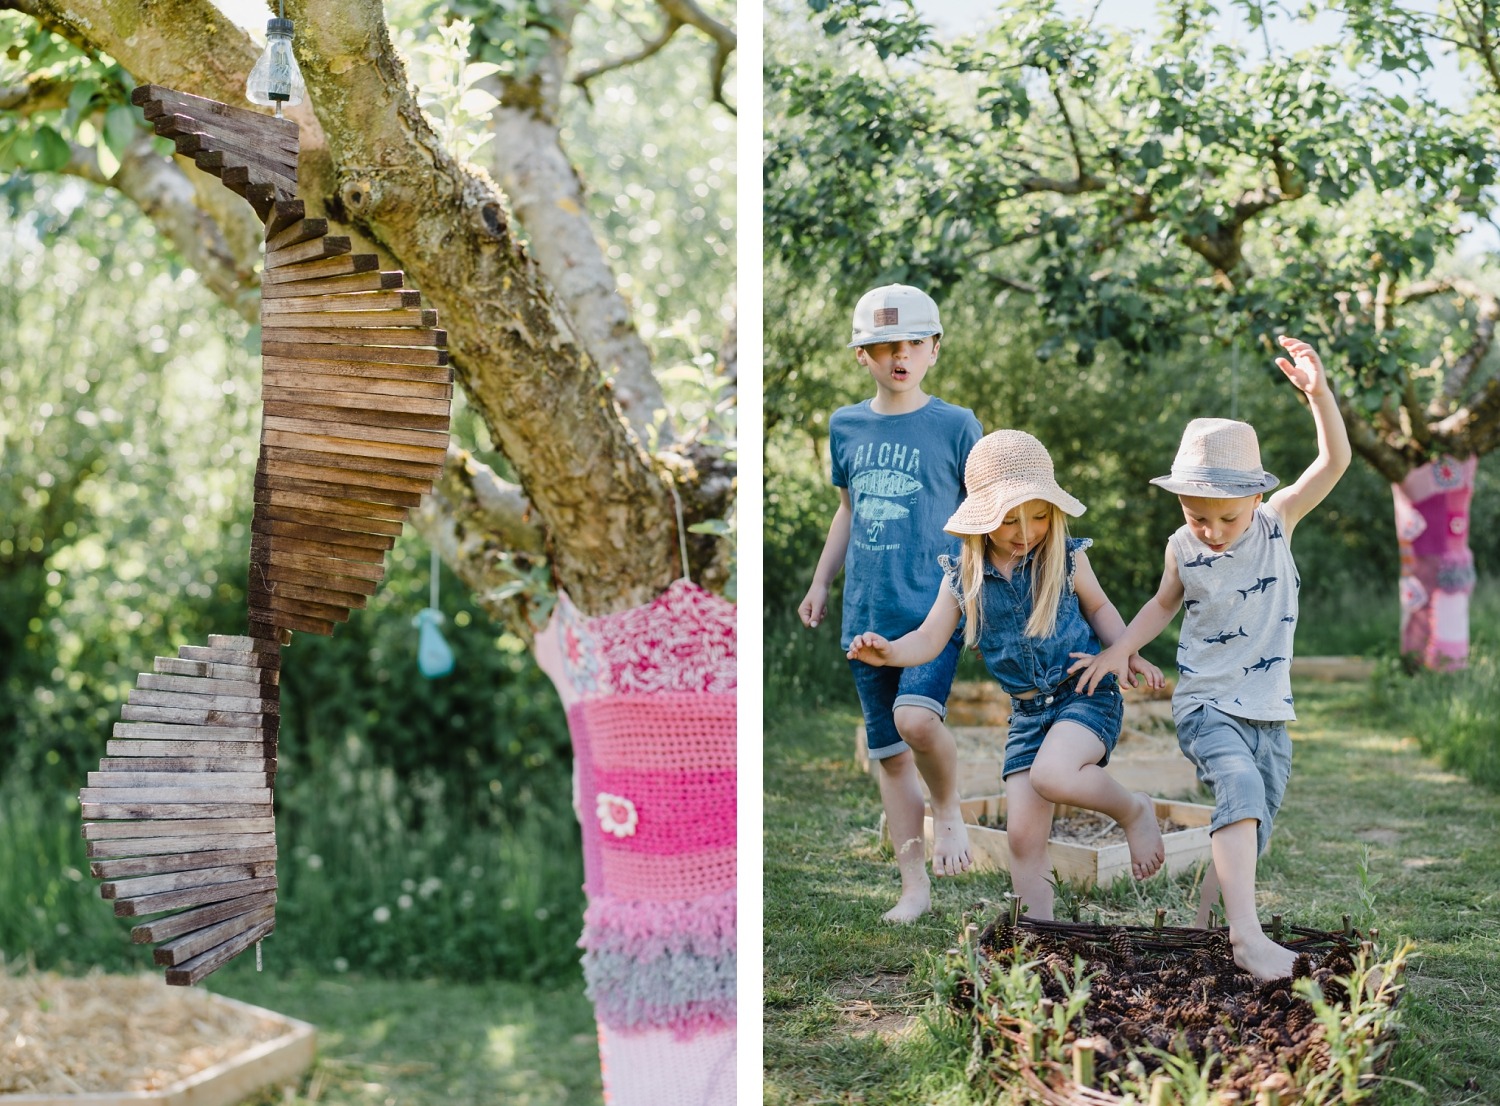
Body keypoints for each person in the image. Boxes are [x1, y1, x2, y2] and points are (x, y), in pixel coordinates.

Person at [1072, 335, 1351, 981]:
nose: (1214, 531)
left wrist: (1320, 394)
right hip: (1206, 703)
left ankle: (1210, 936)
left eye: (1226, 517)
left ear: (1255, 499)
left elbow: (1334, 462)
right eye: (1199, 516)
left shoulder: (1279, 522)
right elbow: (1161, 605)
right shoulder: (1181, 546)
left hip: (1269, 711)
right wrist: (1121, 648)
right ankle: (1249, 942)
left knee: (1250, 828)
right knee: (1240, 790)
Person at [847, 429, 1167, 923]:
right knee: (1022, 835)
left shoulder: (1065, 558)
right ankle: (1040, 935)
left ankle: (1134, 811)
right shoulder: (963, 577)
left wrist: (1125, 652)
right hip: (1027, 715)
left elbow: (1100, 607)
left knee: (1055, 774)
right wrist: (888, 653)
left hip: (1082, 692)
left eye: (1039, 515)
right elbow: (929, 640)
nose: (1027, 530)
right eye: (1009, 519)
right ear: (981, 519)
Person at [798, 283, 983, 923]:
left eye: (910, 343)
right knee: (889, 752)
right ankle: (913, 888)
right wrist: (822, 581)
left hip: (933, 608)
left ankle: (951, 808)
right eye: (882, 347)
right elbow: (846, 511)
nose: (897, 356)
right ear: (862, 356)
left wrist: (983, 584)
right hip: (867, 617)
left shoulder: (957, 425)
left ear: (934, 348)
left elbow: (979, 515)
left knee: (919, 722)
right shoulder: (846, 426)